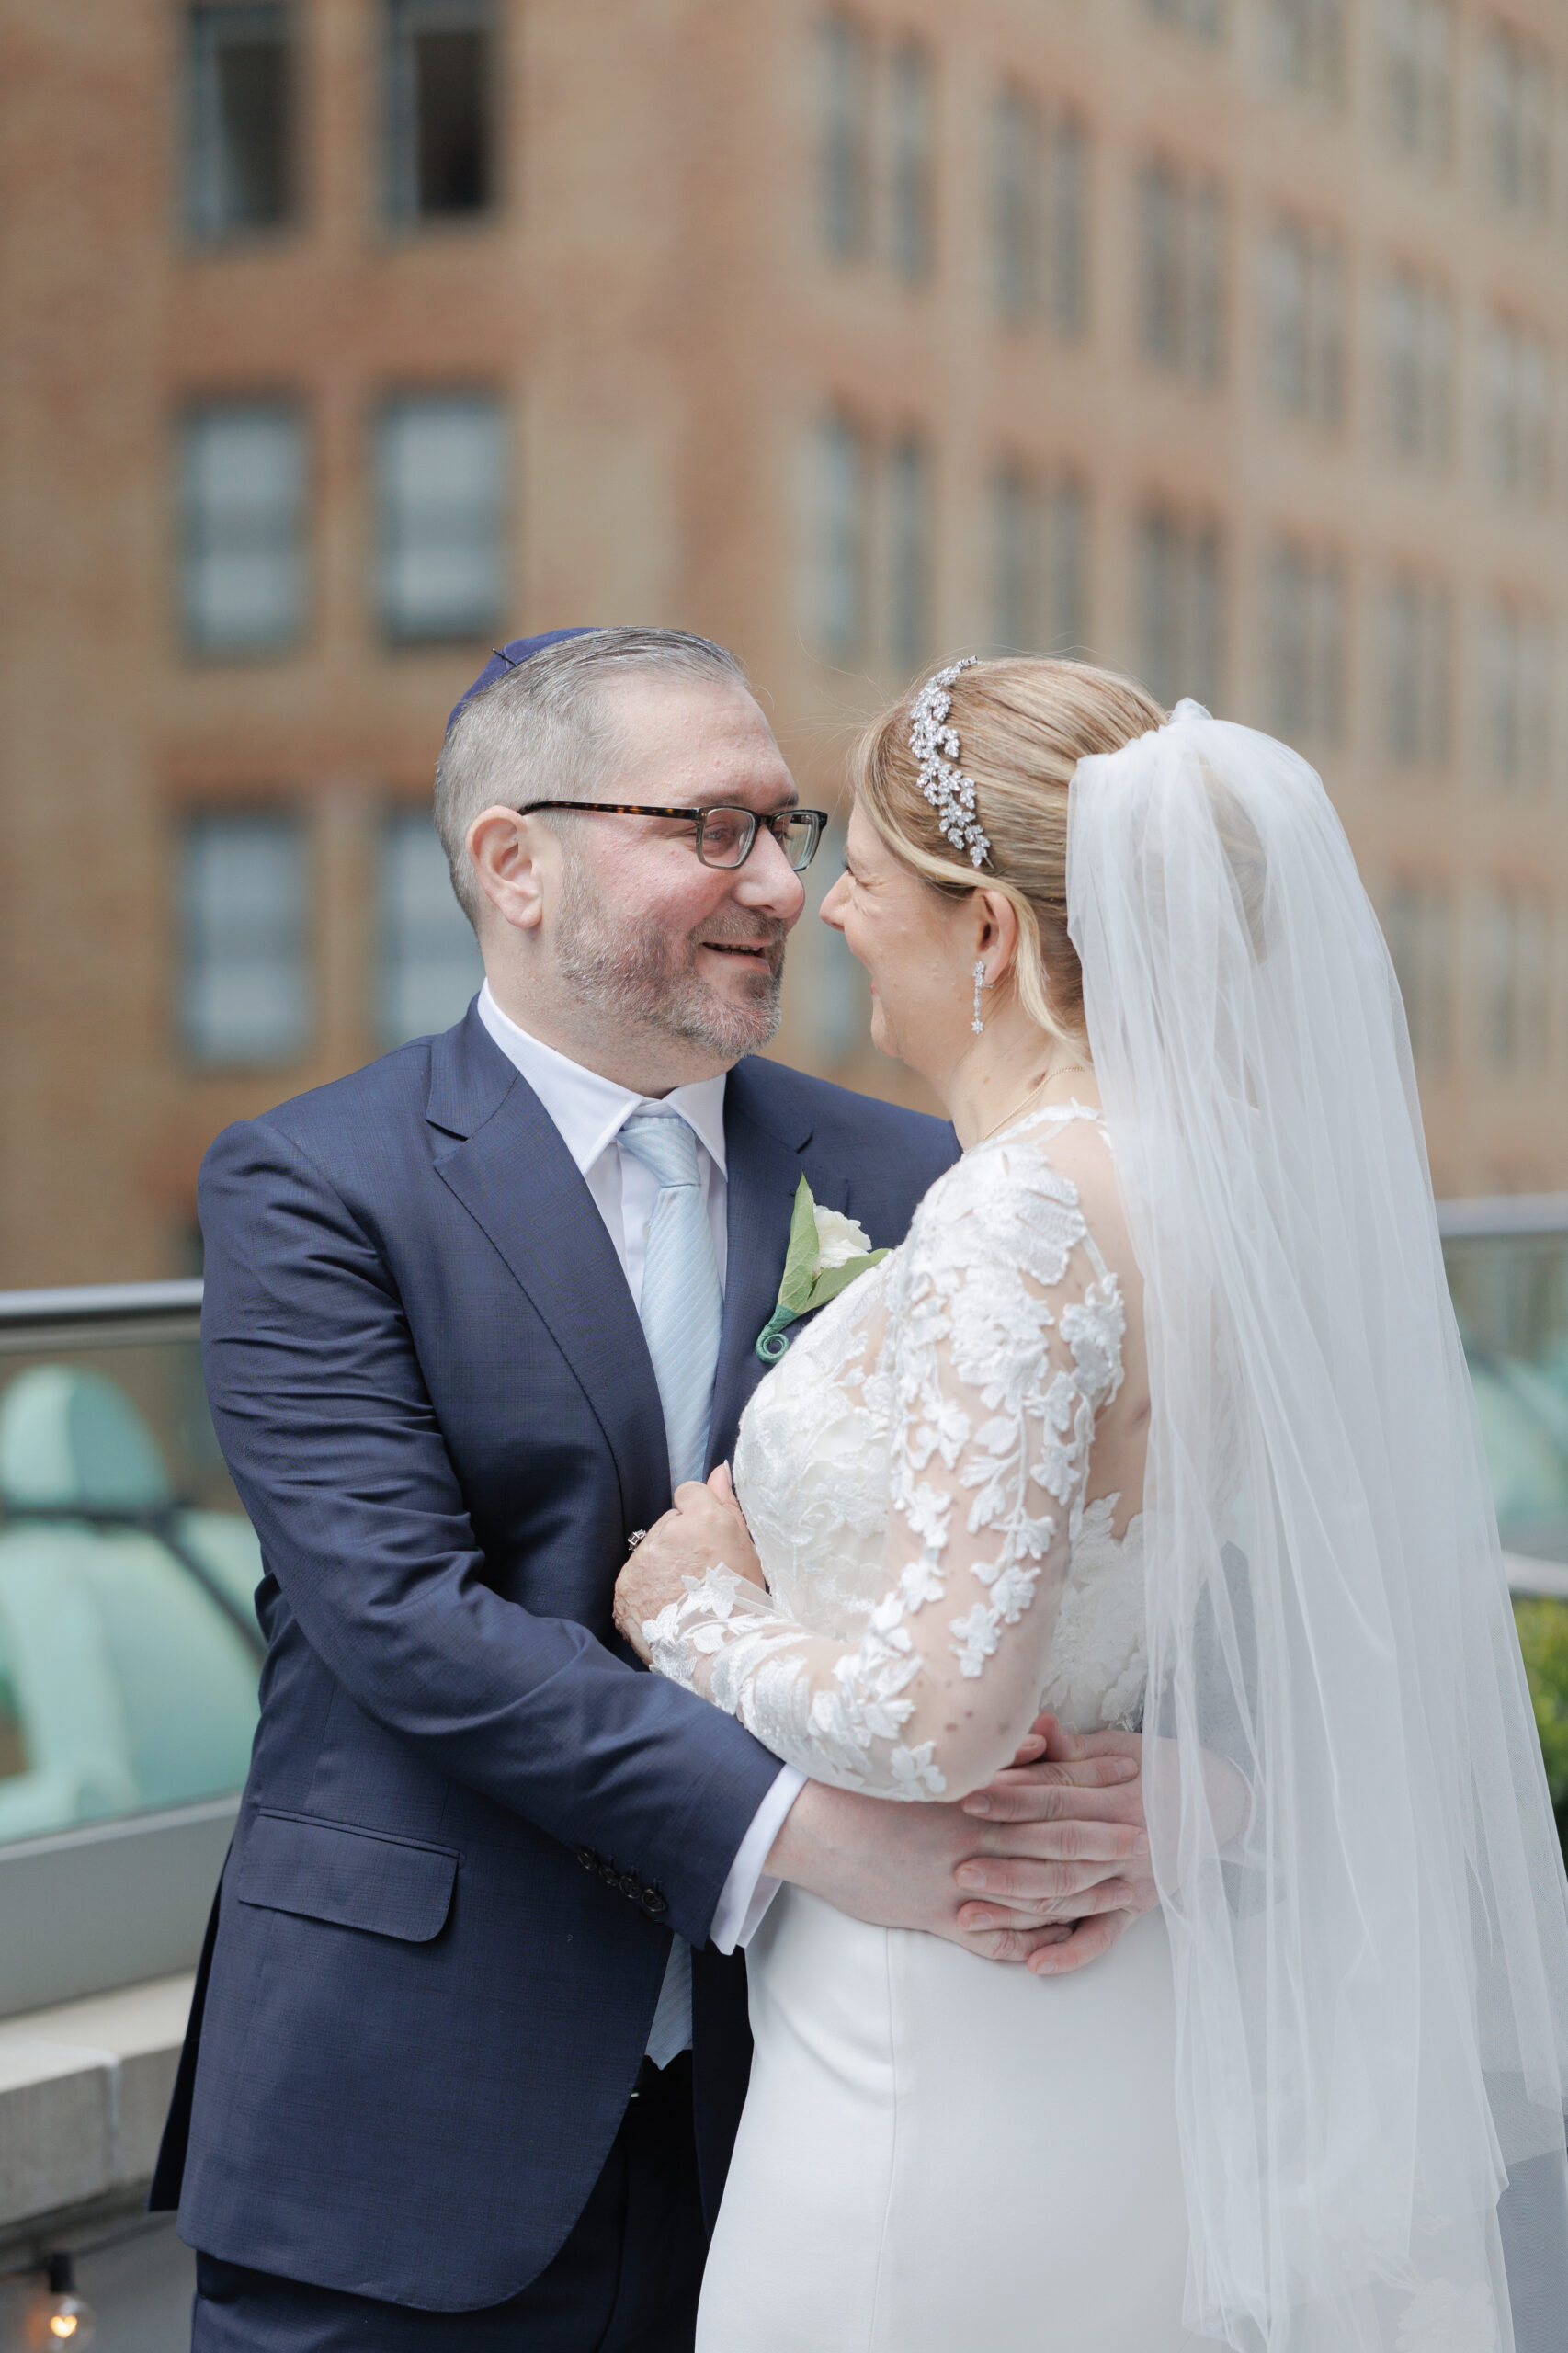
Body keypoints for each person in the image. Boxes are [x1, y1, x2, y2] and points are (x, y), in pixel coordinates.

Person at [150, 627, 1159, 2353]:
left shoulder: (934, 1172)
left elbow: (1107, 1527)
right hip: (414, 2112)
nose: (778, 883)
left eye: (792, 830)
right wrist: (832, 1847)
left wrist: (1169, 1787)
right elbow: (406, 1620)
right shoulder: (312, 1187)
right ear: (512, 861)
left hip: (814, 2109)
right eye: (710, 828)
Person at [616, 656, 1568, 2353]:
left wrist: (687, 1607)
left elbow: (934, 1724)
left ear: (987, 934)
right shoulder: (1221, 1203)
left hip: (941, 2028)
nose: (827, 907)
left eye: (868, 876)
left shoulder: (1017, 1222)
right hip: (1124, 2001)